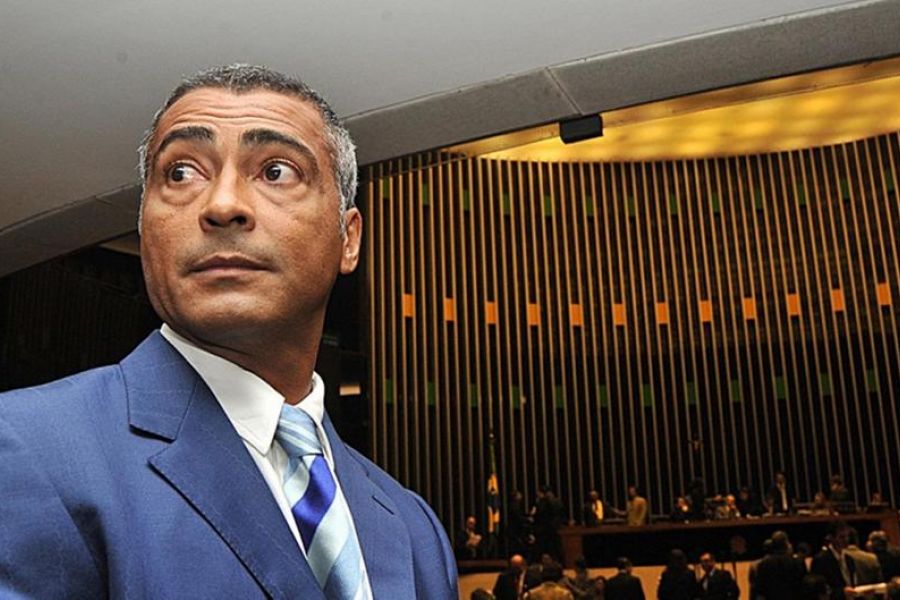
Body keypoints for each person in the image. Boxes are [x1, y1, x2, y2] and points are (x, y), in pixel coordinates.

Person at [0, 64, 458, 599]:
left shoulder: (414, 528)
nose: (222, 205)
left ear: (348, 238)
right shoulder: (25, 448)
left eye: (276, 171)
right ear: (145, 228)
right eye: (181, 173)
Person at [754, 530, 808, 599]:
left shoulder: (763, 564)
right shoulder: (798, 562)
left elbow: (760, 590)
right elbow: (804, 586)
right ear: (786, 544)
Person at [811, 522, 857, 599]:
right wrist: (841, 592)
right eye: (841, 537)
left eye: (847, 536)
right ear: (831, 538)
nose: (846, 540)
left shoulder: (849, 559)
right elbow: (819, 591)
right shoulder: (821, 560)